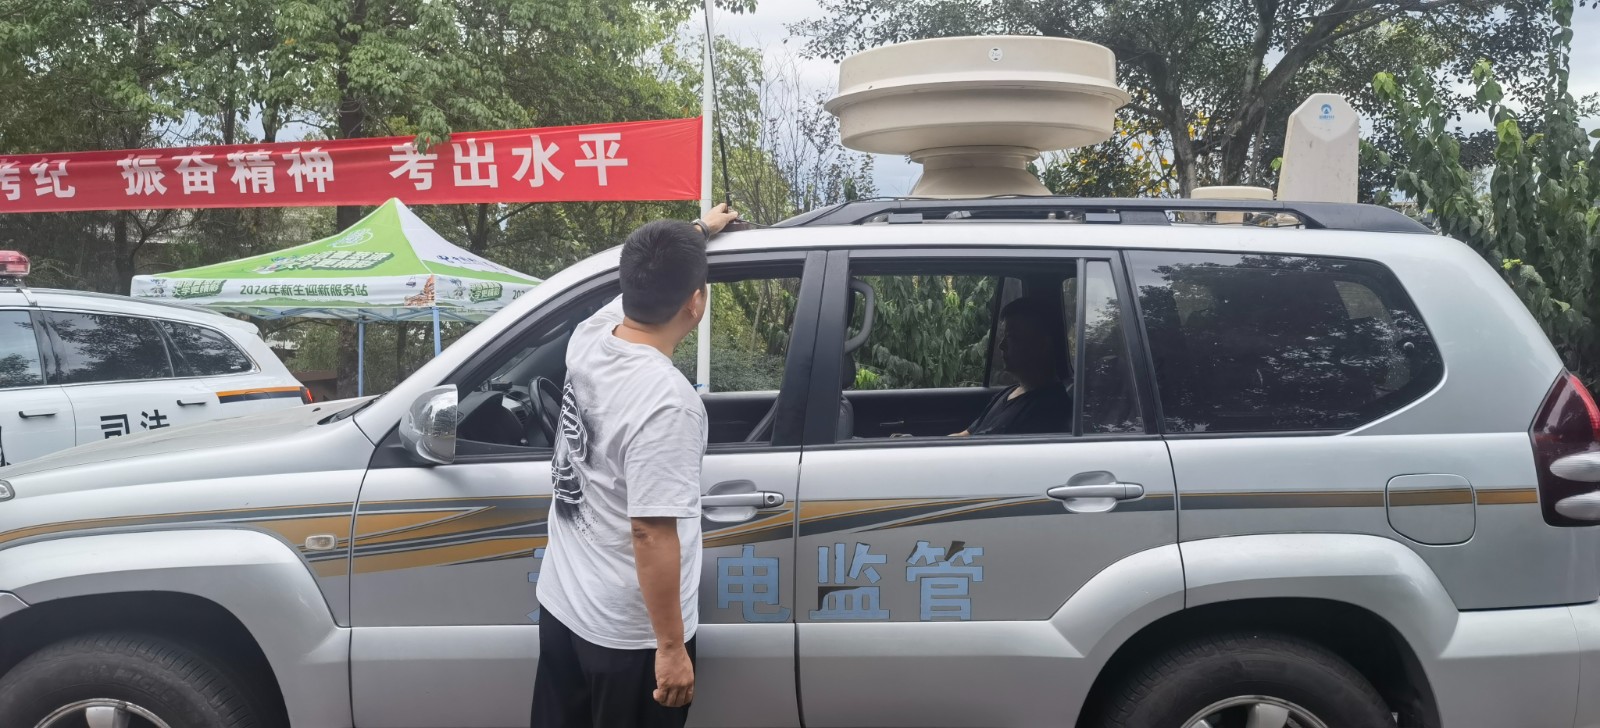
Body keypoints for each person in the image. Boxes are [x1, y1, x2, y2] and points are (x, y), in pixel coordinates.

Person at [531, 203, 739, 728]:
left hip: (564, 605)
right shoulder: (667, 402)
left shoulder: (590, 337)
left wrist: (697, 232)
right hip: (628, 637)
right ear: (696, 302)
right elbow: (649, 531)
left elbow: (635, 283)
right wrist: (670, 648)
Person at [953, 296, 1072, 436]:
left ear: (1041, 344)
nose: (1001, 345)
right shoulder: (1007, 394)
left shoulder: (1049, 409)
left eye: (1012, 337)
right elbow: (966, 435)